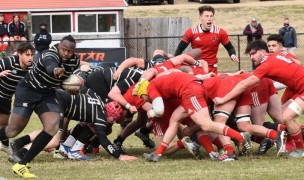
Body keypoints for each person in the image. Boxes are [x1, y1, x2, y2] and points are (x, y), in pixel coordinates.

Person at [0, 35, 80, 178]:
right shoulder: (49, 54)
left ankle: (21, 164)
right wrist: (54, 69)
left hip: (47, 94)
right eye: (64, 49)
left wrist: (71, 86)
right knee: (13, 131)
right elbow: (50, 64)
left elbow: (64, 81)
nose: (66, 53)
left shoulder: (74, 61)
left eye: (70, 51)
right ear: (58, 46)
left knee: (52, 126)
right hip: (28, 90)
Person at [213, 39, 304, 159]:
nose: (251, 57)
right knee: (284, 116)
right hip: (300, 90)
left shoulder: (266, 65)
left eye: (253, 53)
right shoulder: (276, 56)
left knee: (287, 117)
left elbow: (244, 84)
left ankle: (300, 149)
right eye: (250, 54)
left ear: (262, 51)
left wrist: (223, 99)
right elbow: (296, 62)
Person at [174, 5, 238, 74]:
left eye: (211, 16)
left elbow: (230, 48)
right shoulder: (192, 32)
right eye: (206, 16)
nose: (209, 19)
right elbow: (179, 49)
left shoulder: (220, 32)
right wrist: (176, 64)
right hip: (197, 66)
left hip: (212, 68)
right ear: (200, 18)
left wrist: (232, 55)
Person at [0, 42, 34, 154]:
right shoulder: (9, 62)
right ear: (19, 54)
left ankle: (4, 145)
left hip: (6, 97)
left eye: (32, 55)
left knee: (4, 124)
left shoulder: (32, 68)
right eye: (27, 55)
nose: (30, 58)